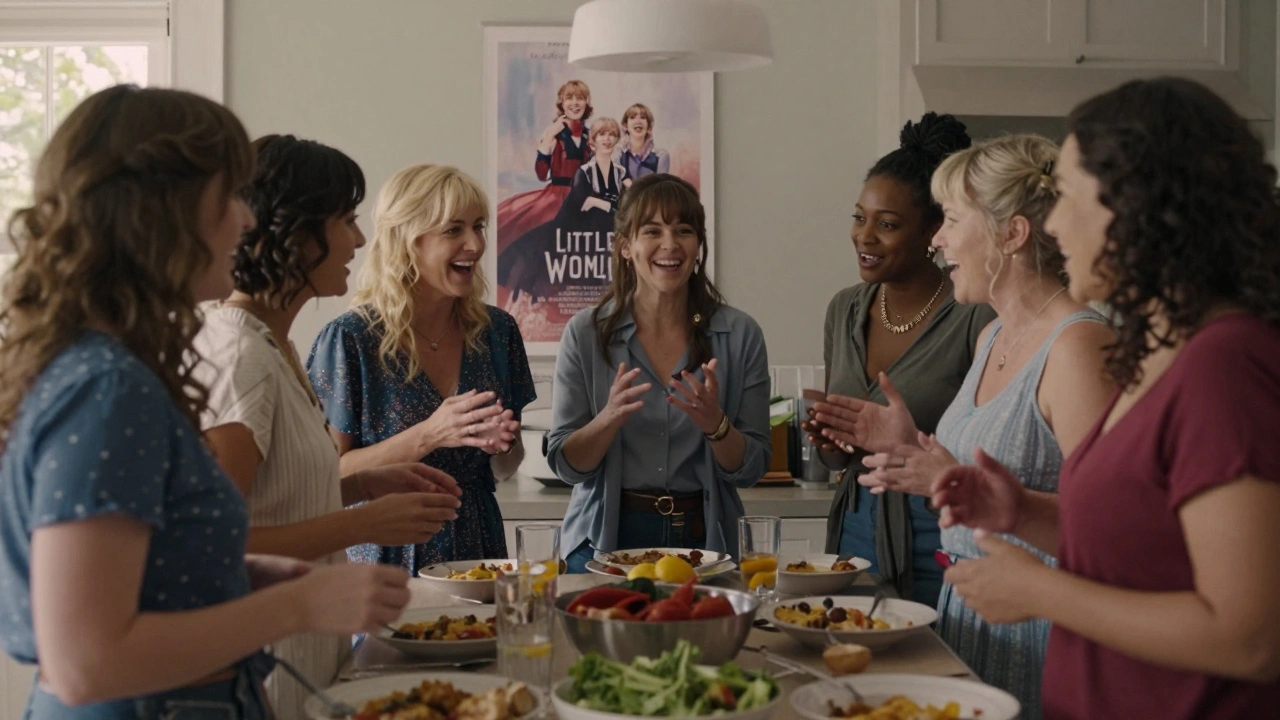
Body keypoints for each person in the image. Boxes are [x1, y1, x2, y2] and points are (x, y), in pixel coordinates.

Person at [0, 85, 409, 720]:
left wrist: (240, 576)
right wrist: (298, 606)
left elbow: (139, 575)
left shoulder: (108, 368)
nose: (247, 222)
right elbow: (86, 662)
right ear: (165, 213)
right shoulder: (106, 386)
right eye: (229, 198)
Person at [932, 78, 1280, 719]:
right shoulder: (1155, 354)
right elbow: (1147, 550)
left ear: (1134, 204)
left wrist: (1041, 591)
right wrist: (1021, 513)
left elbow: (1250, 637)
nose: (1054, 223)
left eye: (1067, 196)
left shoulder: (1224, 365)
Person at [818, 134, 1115, 718]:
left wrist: (950, 479)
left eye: (952, 219)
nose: (938, 239)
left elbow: (1113, 534)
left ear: (1012, 234)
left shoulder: (1080, 347)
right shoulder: (990, 338)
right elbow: (965, 477)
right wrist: (907, 449)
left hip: (1046, 637)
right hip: (974, 626)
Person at [194, 135, 464, 718]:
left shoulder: (276, 346)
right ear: (294, 233)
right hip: (269, 666)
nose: (361, 240)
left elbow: (274, 498)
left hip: (308, 652)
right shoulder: (242, 361)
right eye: (345, 220)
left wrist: (362, 485)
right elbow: (217, 544)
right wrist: (363, 523)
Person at [307, 164, 535, 575]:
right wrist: (431, 433)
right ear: (406, 241)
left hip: (478, 548)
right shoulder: (351, 339)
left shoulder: (498, 331)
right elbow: (328, 475)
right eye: (454, 230)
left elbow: (506, 467)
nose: (475, 244)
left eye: (479, 226)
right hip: (386, 550)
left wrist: (501, 444)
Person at [801, 113, 990, 605]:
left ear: (934, 230)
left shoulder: (974, 314)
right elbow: (836, 460)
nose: (865, 236)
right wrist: (831, 439)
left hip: (938, 532)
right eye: (859, 217)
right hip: (855, 525)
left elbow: (992, 453)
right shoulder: (843, 310)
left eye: (887, 225)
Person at [547, 173, 771, 572]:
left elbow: (751, 469)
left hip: (707, 541)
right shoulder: (584, 333)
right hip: (604, 541)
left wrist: (715, 424)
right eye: (652, 230)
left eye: (684, 230)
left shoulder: (741, 334)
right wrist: (609, 419)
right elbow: (567, 466)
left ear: (698, 245)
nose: (670, 244)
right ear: (625, 247)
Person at [498, 118, 627, 303]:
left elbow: (625, 197)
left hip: (605, 235)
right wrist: (606, 204)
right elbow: (583, 202)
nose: (607, 139)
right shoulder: (584, 171)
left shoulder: (620, 172)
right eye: (602, 134)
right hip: (580, 232)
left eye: (612, 134)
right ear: (593, 141)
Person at [495, 80, 594, 259]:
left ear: (586, 102)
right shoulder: (553, 133)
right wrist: (548, 138)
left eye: (580, 98)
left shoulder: (590, 135)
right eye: (569, 98)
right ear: (561, 104)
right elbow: (541, 174)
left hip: (583, 196)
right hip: (557, 196)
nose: (574, 103)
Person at [615, 103, 670, 180]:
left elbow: (660, 188)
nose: (638, 121)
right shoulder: (617, 153)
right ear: (625, 126)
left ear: (649, 127)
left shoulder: (661, 156)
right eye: (632, 117)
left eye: (643, 117)